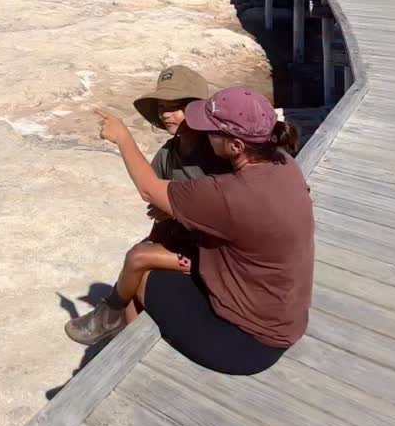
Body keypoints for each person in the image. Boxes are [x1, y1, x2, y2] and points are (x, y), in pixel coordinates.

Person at [68, 86, 314, 376]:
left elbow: (149, 189)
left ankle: (130, 370)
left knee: (140, 278)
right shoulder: (284, 165)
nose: (205, 134)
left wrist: (122, 136)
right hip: (283, 318)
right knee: (147, 261)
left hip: (248, 342)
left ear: (236, 146)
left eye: (212, 131)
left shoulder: (229, 194)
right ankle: (122, 344)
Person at [65, 64, 229, 347]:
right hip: (186, 240)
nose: (166, 114)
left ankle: (109, 316)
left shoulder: (214, 154)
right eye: (162, 107)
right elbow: (156, 197)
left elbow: (222, 210)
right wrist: (161, 225)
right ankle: (128, 338)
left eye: (175, 107)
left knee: (138, 259)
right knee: (135, 271)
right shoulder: (169, 153)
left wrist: (175, 209)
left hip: (215, 253)